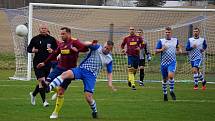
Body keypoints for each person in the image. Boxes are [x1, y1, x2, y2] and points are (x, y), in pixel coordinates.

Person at [45, 40, 116, 119]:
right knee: (65, 74)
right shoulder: (97, 47)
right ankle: (49, 87)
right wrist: (90, 43)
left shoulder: (109, 59)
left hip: (91, 76)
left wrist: (110, 83)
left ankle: (94, 111)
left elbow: (109, 72)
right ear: (104, 45)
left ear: (111, 50)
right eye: (105, 47)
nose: (105, 49)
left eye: (108, 49)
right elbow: (84, 44)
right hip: (81, 69)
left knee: (88, 98)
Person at [37, 27, 89, 114]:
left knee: (61, 92)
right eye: (61, 34)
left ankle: (55, 112)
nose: (61, 35)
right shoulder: (61, 44)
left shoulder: (75, 42)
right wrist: (44, 63)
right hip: (59, 68)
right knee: (46, 82)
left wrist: (77, 50)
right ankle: (48, 87)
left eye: (63, 34)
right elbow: (54, 54)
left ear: (69, 34)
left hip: (70, 71)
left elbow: (86, 49)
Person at [27, 24, 57, 106]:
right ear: (39, 29)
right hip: (37, 63)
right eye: (42, 28)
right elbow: (28, 49)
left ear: (47, 29)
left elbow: (57, 49)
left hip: (48, 63)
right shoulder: (35, 39)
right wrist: (33, 50)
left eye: (45, 28)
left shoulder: (51, 39)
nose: (43, 29)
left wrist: (52, 50)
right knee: (42, 81)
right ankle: (44, 102)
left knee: (44, 83)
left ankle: (33, 94)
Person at [155, 27, 182, 101]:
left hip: (172, 62)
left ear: (171, 33)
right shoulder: (161, 41)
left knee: (170, 76)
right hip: (163, 63)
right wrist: (162, 49)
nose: (167, 33)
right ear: (165, 33)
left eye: (168, 32)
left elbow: (178, 47)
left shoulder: (175, 40)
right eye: (166, 32)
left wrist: (179, 50)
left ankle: (171, 91)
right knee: (164, 79)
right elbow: (156, 51)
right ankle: (165, 93)